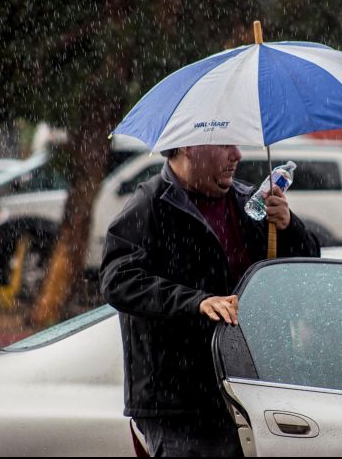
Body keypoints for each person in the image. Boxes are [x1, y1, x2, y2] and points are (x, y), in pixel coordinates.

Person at [100, 144, 320, 457]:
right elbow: (118, 281)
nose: (237, 155)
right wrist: (197, 302)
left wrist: (289, 227)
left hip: (249, 393)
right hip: (179, 406)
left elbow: (307, 267)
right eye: (225, 145)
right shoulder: (149, 205)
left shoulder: (249, 202)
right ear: (189, 146)